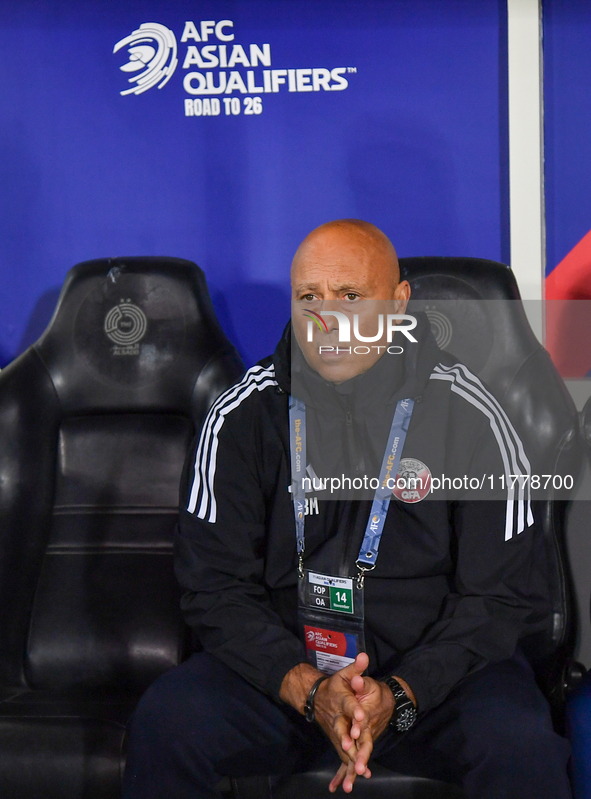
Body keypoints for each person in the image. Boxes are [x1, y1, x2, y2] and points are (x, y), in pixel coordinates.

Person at [123, 220, 572, 799]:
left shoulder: (473, 415)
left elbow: (500, 596)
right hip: (288, 681)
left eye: (351, 297)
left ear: (399, 301)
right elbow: (213, 587)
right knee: (167, 723)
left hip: (434, 687)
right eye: (310, 297)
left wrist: (402, 695)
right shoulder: (243, 414)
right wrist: (309, 688)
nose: (326, 319)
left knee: (521, 746)